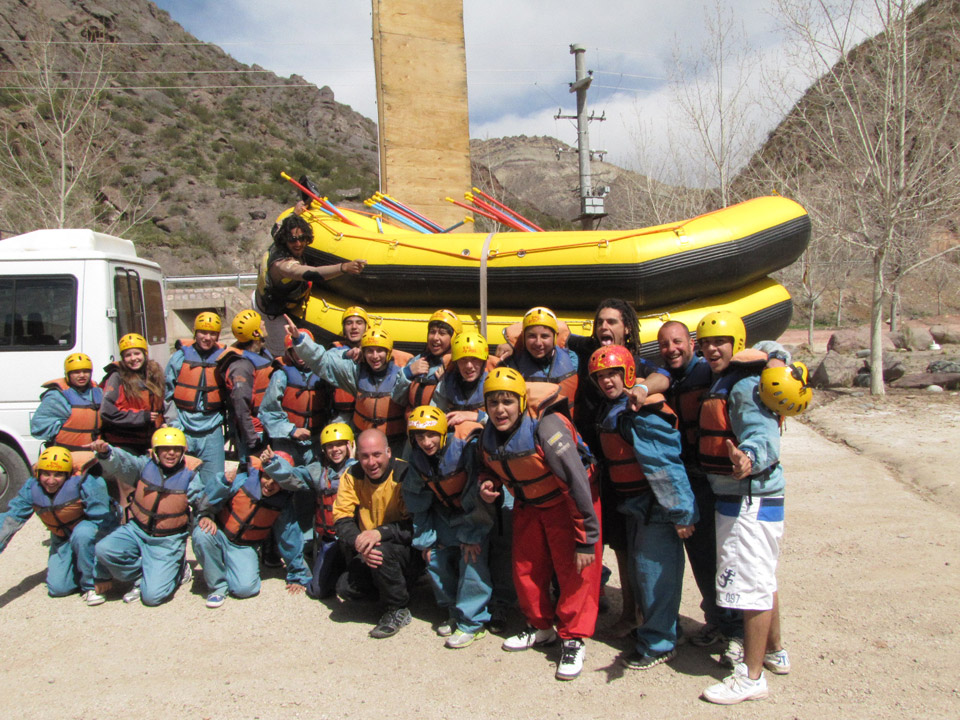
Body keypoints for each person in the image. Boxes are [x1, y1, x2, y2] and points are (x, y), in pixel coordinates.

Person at [658, 319, 790, 662]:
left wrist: (775, 355)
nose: (671, 349)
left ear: (689, 343)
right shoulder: (676, 376)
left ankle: (744, 641)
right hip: (701, 481)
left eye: (678, 342)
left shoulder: (738, 379)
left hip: (734, 487)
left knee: (739, 568)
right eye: (709, 342)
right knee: (707, 562)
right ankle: (727, 625)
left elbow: (762, 433)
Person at [477, 368, 601, 681]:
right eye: (493, 403)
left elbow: (577, 483)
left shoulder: (547, 428)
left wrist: (586, 538)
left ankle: (572, 638)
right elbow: (489, 465)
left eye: (507, 401)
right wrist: (488, 482)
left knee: (573, 571)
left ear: (521, 402)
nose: (500, 409)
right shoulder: (488, 434)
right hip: (529, 505)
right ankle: (542, 627)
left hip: (567, 503)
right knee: (526, 569)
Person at [695, 311, 790, 705]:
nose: (713, 348)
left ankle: (751, 678)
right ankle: (773, 650)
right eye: (707, 342)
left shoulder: (744, 385)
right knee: (762, 575)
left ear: (737, 345)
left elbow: (761, 434)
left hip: (749, 496)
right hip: (749, 498)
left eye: (721, 342)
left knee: (751, 585)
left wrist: (747, 458)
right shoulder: (728, 378)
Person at [588, 345, 696, 669]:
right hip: (636, 506)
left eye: (613, 374)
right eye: (601, 376)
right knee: (643, 574)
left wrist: (680, 514)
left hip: (656, 507)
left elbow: (664, 466)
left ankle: (660, 644)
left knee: (653, 576)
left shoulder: (641, 411)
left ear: (628, 374)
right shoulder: (615, 409)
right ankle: (660, 631)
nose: (607, 381)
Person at [404, 406, 494, 649]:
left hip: (473, 513)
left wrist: (471, 534)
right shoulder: (417, 459)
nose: (426, 442)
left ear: (443, 433)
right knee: (435, 557)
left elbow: (475, 494)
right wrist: (425, 540)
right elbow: (416, 499)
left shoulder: (464, 450)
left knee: (471, 557)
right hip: (444, 514)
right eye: (420, 437)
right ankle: (455, 611)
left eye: (432, 435)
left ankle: (473, 623)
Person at [92, 427, 205, 606]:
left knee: (152, 597)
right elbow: (122, 463)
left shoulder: (190, 476)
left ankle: (178, 569)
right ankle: (139, 577)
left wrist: (206, 516)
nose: (171, 453)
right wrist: (106, 453)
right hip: (136, 530)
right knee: (104, 550)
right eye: (165, 449)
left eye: (176, 449)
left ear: (183, 452)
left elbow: (201, 503)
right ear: (156, 451)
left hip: (167, 539)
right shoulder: (144, 465)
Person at [191, 448, 310, 608]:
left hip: (244, 546)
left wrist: (297, 574)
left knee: (246, 589)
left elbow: (290, 538)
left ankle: (225, 564)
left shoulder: (282, 503)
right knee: (201, 534)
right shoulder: (242, 480)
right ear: (261, 473)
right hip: (220, 534)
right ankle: (217, 586)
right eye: (267, 476)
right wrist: (206, 515)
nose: (269, 484)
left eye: (276, 481)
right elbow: (206, 500)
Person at [0, 447, 117, 605]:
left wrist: (101, 574)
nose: (51, 480)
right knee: (58, 588)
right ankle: (79, 564)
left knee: (82, 534)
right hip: (63, 537)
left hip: (92, 531)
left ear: (68, 475)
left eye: (58, 474)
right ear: (38, 473)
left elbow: (104, 524)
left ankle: (91, 584)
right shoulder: (31, 487)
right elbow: (10, 520)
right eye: (46, 474)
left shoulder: (89, 482)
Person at [332, 428, 419, 639]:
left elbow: (416, 526)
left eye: (377, 454)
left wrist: (381, 533)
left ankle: (397, 608)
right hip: (369, 548)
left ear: (388, 452)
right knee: (345, 588)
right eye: (365, 456)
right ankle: (394, 587)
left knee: (380, 552)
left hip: (408, 549)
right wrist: (360, 543)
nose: (371, 462)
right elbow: (342, 519)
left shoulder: (404, 473)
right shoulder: (351, 475)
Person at [254, 212, 366, 356]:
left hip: (271, 295)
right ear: (284, 240)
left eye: (302, 238)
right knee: (285, 353)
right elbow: (309, 273)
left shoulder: (278, 233)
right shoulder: (282, 265)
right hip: (271, 313)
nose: (298, 244)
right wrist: (343, 267)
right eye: (292, 240)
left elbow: (278, 225)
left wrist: (298, 210)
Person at [313, 327, 412, 456]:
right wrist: (300, 340)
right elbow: (324, 361)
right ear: (363, 353)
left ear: (388, 352)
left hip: (395, 440)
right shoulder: (357, 371)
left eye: (380, 351)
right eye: (370, 351)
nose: (375, 356)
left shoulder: (402, 372)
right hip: (365, 437)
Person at [164, 312, 227, 488]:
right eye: (203, 332)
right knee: (180, 482)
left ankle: (209, 515)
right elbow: (167, 394)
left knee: (215, 482)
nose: (207, 338)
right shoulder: (179, 358)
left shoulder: (224, 358)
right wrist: (173, 423)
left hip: (212, 427)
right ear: (194, 332)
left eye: (213, 333)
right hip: (183, 426)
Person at [296, 423, 357, 599]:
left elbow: (350, 479)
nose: (335, 450)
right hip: (330, 539)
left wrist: (352, 462)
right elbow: (292, 476)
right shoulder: (317, 471)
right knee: (317, 591)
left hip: (354, 540)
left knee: (353, 587)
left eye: (340, 444)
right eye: (330, 446)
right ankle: (334, 570)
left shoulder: (360, 467)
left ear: (350, 445)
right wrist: (272, 464)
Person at [260, 328, 331, 464]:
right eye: (294, 350)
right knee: (286, 480)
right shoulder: (280, 374)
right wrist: (291, 430)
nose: (299, 355)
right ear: (289, 353)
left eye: (302, 349)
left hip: (315, 440)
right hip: (286, 440)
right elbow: (268, 411)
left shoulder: (322, 373)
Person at [216, 310, 274, 463]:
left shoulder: (261, 354)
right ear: (256, 333)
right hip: (256, 434)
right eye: (260, 322)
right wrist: (254, 443)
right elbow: (241, 408)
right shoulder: (241, 366)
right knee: (253, 478)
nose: (264, 323)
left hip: (268, 428)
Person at [502, 306, 579, 413]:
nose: (538, 343)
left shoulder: (573, 359)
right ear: (524, 338)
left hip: (562, 424)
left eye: (545, 336)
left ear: (555, 337)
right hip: (528, 425)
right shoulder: (512, 363)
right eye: (532, 336)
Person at [99, 333, 165, 456]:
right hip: (124, 442)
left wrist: (163, 422)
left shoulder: (154, 373)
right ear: (123, 358)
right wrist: (141, 417)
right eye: (128, 355)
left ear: (145, 354)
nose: (133, 358)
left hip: (149, 440)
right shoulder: (117, 376)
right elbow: (106, 411)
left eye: (137, 353)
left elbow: (160, 404)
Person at [31, 352, 103, 451]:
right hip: (65, 454)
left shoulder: (98, 392)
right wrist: (62, 427)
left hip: (94, 453)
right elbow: (38, 426)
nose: (82, 375)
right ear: (68, 374)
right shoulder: (56, 396)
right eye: (76, 372)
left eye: (86, 371)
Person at [403, 309, 462, 409]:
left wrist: (446, 381)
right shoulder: (416, 361)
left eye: (442, 333)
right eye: (432, 332)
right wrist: (407, 373)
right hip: (413, 421)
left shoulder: (458, 367)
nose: (435, 338)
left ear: (453, 338)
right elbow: (397, 399)